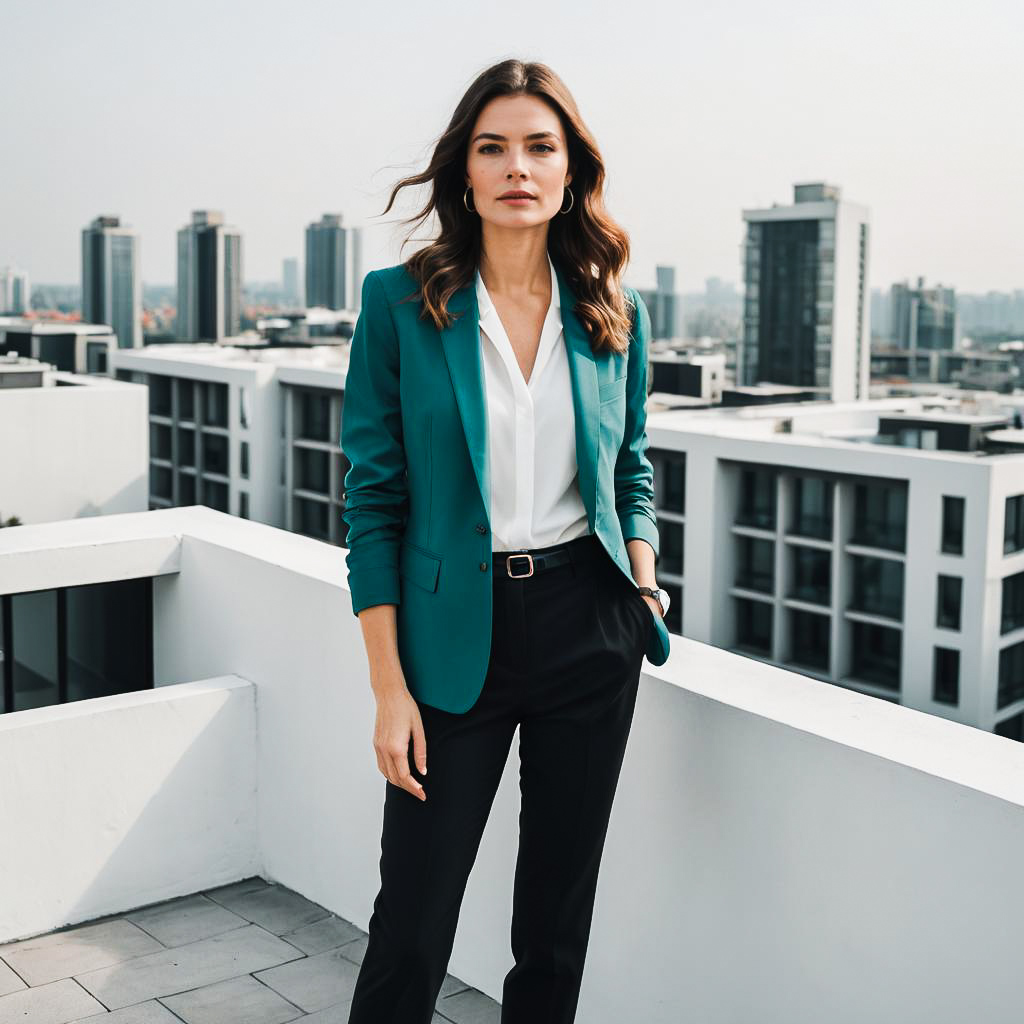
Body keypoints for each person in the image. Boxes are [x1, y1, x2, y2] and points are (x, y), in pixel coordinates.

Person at [341, 57, 671, 1024]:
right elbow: (373, 503)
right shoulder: (399, 305)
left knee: (556, 926)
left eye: (540, 146)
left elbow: (633, 467)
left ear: (571, 171)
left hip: (589, 626)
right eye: (494, 148)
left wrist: (642, 579)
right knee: (413, 922)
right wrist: (389, 688)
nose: (517, 166)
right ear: (465, 172)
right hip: (450, 645)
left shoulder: (614, 309)